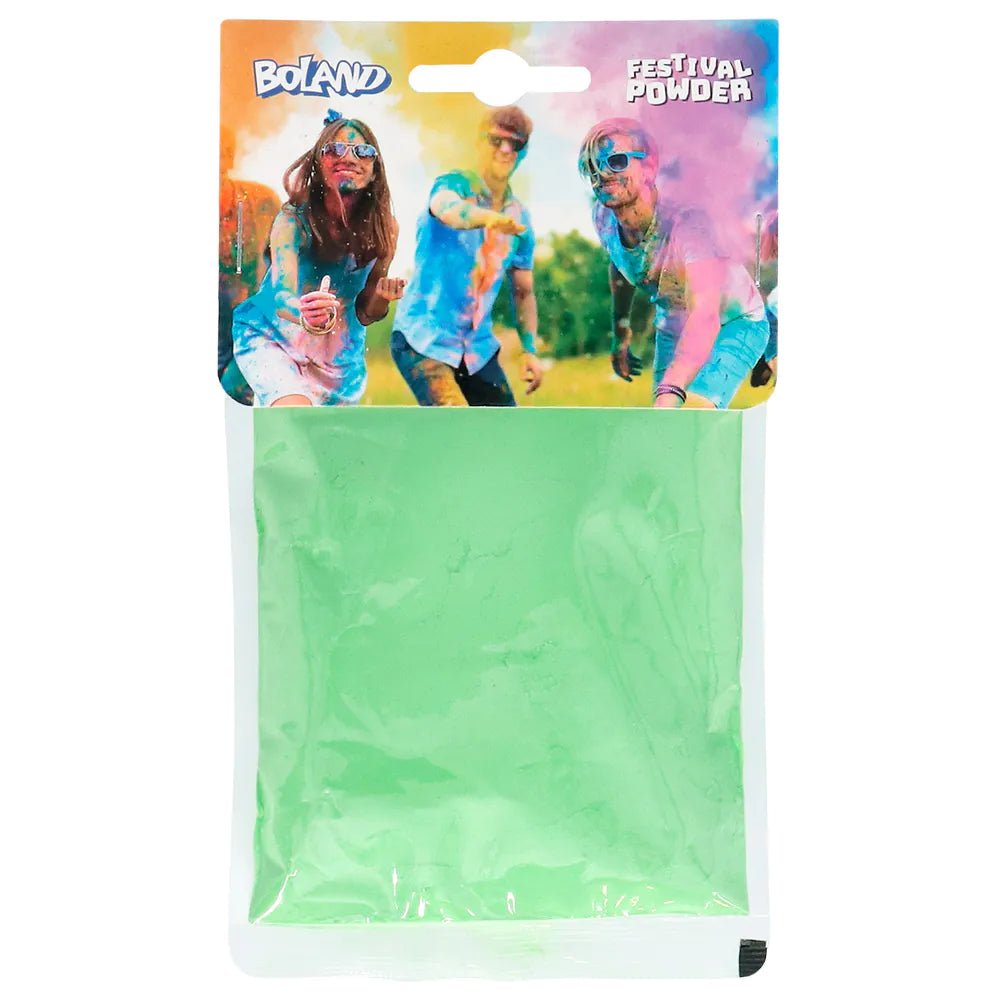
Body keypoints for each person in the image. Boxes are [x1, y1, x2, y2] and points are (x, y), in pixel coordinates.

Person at [579, 118, 770, 409]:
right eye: (591, 166)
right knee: (666, 421)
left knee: (691, 411)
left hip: (734, 320)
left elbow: (705, 313)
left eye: (616, 161)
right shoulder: (603, 217)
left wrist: (671, 389)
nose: (602, 173)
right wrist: (621, 333)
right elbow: (620, 264)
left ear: (649, 167)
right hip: (675, 324)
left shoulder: (688, 221)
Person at [232, 110, 405, 407]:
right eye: (334, 149)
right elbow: (281, 294)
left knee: (319, 435)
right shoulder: (293, 220)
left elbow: (366, 314)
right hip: (273, 339)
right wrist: (305, 313)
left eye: (363, 151)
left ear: (375, 171)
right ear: (317, 164)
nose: (348, 158)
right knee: (293, 414)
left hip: (337, 365)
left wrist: (382, 297)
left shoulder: (385, 228)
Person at [390, 106, 544, 406]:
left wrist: (529, 351)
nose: (505, 150)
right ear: (479, 142)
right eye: (496, 140)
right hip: (423, 339)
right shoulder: (454, 185)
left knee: (508, 428)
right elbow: (446, 208)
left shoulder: (519, 217)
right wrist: (487, 218)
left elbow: (523, 291)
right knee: (455, 424)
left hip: (476, 349)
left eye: (515, 143)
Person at [218, 126, 281, 404]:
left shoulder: (262, 202)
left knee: (233, 398)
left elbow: (293, 266)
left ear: (229, 157)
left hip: (254, 334)